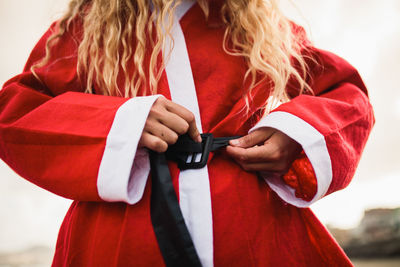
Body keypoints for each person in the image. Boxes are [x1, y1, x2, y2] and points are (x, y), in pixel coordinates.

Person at [0, 0, 374, 266]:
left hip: (255, 231)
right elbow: (13, 111)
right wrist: (121, 121)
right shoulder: (86, 26)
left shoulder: (262, 27)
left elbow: (346, 96)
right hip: (118, 238)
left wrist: (294, 133)